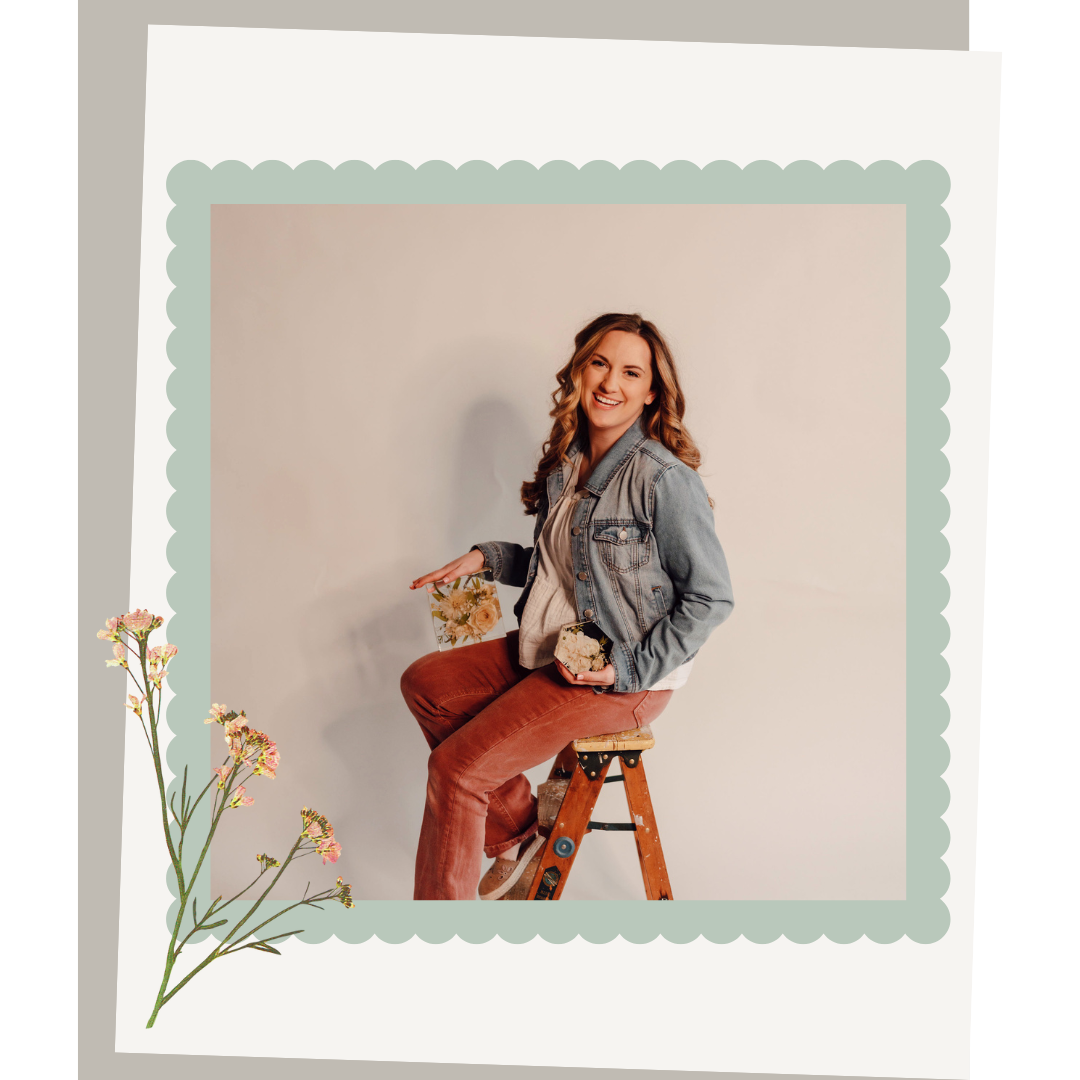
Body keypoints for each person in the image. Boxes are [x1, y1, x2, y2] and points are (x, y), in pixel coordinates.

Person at [401, 312, 734, 900]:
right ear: (579, 370)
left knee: (457, 773)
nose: (611, 383)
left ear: (651, 392)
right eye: (600, 363)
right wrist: (488, 560)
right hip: (560, 644)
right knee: (427, 682)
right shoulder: (566, 465)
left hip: (625, 678)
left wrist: (625, 668)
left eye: (631, 372)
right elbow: (571, 573)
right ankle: (519, 831)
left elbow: (710, 597)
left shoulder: (663, 478)